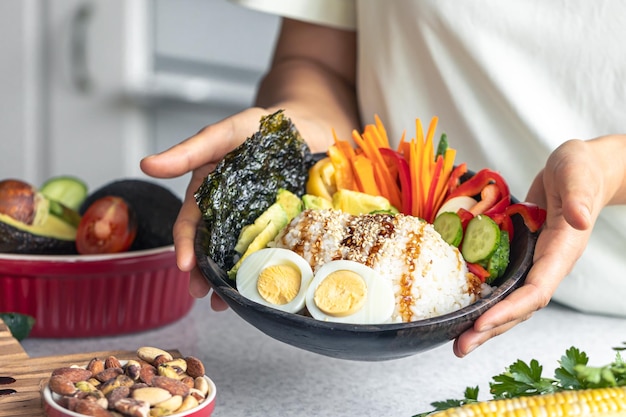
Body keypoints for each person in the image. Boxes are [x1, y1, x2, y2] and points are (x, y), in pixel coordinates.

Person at [140, 1, 626, 358]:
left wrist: (608, 169)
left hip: (611, 326)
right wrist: (290, 142)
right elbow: (314, 63)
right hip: (376, 330)